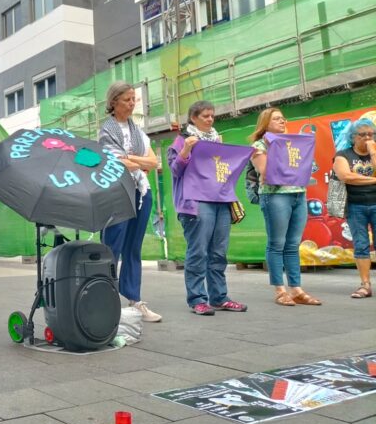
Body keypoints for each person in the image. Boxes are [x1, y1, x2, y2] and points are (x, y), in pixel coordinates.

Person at [167, 101, 247, 315]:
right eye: (205, 116)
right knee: (198, 252)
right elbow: (175, 171)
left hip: (220, 201)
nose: (210, 119)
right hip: (196, 203)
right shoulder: (181, 140)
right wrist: (186, 150)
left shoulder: (217, 140)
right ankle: (197, 300)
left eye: (212, 115)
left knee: (218, 253)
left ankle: (219, 297)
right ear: (193, 118)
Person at [98, 81, 162, 323]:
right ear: (113, 102)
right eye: (127, 99)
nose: (132, 103)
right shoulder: (107, 131)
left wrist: (132, 159)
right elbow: (115, 162)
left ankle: (134, 299)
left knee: (133, 247)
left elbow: (153, 162)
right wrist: (137, 161)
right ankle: (105, 298)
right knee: (112, 246)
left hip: (141, 192)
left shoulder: (138, 131)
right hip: (117, 192)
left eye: (134, 99)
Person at [249, 108, 321, 306]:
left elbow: (309, 167)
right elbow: (265, 172)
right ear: (266, 123)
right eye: (277, 119)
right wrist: (282, 155)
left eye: (283, 118)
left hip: (299, 193)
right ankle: (280, 290)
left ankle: (296, 289)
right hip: (275, 195)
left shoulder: (293, 143)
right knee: (277, 243)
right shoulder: (259, 145)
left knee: (293, 244)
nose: (282, 121)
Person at [332, 118, 376, 299]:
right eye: (362, 135)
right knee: (361, 244)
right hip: (355, 205)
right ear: (352, 137)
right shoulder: (343, 155)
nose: (367, 138)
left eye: (371, 134)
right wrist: (374, 180)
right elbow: (346, 176)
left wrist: (372, 152)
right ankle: (365, 285)